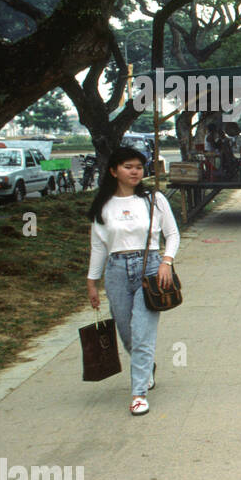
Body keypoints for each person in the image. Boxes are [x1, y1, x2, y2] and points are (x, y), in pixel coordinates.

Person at [86, 146, 179, 416]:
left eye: (138, 167)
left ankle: (138, 394)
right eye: (128, 167)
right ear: (114, 171)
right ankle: (146, 367)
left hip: (150, 269)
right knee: (126, 332)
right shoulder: (103, 205)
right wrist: (92, 282)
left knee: (141, 333)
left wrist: (166, 262)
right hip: (115, 271)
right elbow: (98, 247)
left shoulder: (154, 199)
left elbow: (173, 234)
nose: (135, 172)